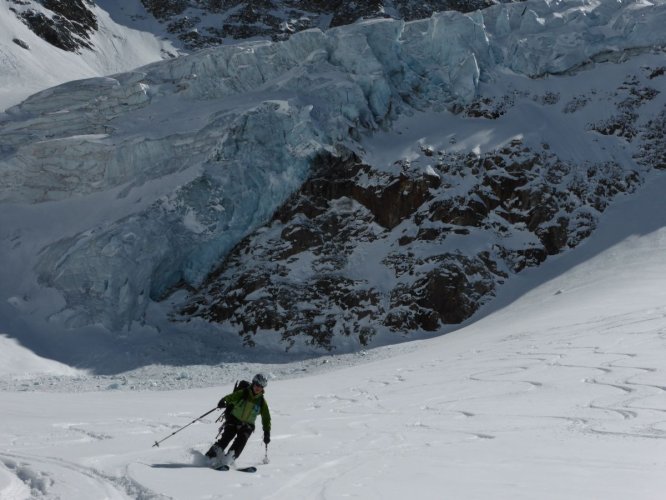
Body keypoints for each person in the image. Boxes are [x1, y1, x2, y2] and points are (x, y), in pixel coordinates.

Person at [205, 373, 271, 467]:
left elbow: (266, 417)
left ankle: (228, 460)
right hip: (234, 420)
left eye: (261, 386)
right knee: (226, 438)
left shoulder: (261, 402)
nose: (258, 388)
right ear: (253, 383)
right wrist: (224, 401)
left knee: (241, 442)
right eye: (257, 385)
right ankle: (208, 457)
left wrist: (267, 432)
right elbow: (231, 397)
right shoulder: (243, 392)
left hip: (248, 425)